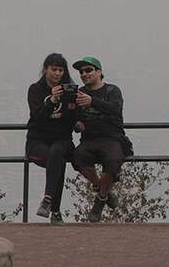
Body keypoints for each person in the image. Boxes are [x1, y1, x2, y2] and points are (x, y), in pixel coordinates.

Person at [72, 56, 126, 222]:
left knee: (113, 160)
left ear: (99, 72)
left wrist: (92, 101)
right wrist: (77, 123)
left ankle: (100, 200)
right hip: (89, 140)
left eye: (89, 70)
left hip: (112, 138)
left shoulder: (112, 91)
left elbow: (115, 109)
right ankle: (103, 190)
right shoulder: (79, 92)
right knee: (76, 157)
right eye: (81, 72)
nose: (84, 74)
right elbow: (76, 116)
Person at [26, 52, 77, 223]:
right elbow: (38, 117)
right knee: (58, 159)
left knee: (57, 151)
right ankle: (55, 210)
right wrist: (52, 100)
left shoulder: (69, 89)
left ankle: (47, 201)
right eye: (54, 69)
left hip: (63, 140)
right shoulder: (35, 90)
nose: (57, 74)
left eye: (61, 70)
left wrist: (75, 109)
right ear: (45, 70)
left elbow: (72, 119)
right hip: (38, 142)